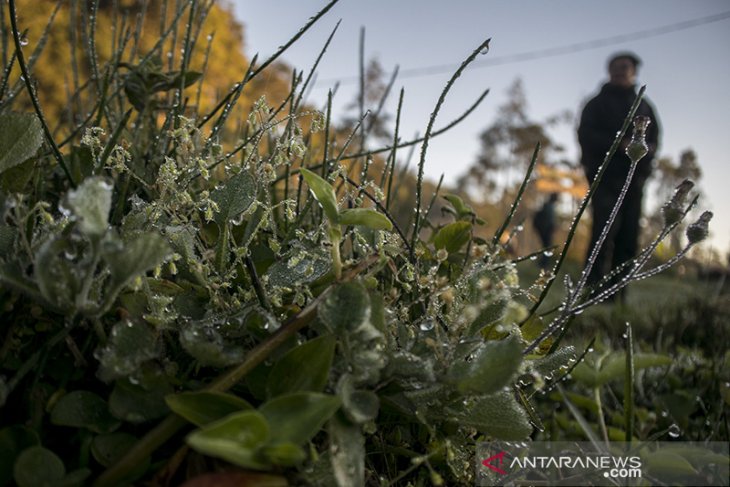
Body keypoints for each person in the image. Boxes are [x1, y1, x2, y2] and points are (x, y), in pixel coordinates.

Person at [578, 52, 660, 300]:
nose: (621, 71)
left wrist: (644, 164)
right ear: (609, 71)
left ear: (634, 72)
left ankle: (617, 295)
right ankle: (590, 291)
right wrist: (618, 145)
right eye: (616, 67)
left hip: (635, 181)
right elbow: (586, 136)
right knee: (603, 233)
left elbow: (655, 141)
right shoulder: (596, 104)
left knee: (628, 238)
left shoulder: (645, 106)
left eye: (626, 67)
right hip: (605, 178)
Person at [532, 193, 559, 269]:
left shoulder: (548, 206)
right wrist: (551, 228)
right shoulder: (549, 207)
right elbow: (549, 221)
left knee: (546, 247)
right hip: (546, 231)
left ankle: (542, 264)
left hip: (545, 231)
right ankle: (543, 265)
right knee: (547, 247)